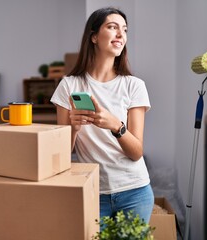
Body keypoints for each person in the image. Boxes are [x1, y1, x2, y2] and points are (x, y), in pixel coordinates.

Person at [50, 7, 154, 223]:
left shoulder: (134, 86)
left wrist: (116, 126)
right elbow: (60, 156)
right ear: (94, 36)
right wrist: (73, 129)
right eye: (112, 27)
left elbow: (136, 152)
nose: (120, 35)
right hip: (93, 191)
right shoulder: (69, 85)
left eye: (124, 30)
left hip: (134, 191)